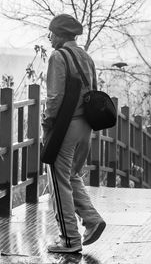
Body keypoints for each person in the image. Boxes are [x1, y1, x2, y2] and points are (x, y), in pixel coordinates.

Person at [42, 14, 106, 254]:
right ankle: (92, 220)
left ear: (59, 35)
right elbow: (95, 91)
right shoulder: (86, 57)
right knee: (71, 176)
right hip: (85, 127)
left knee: (59, 183)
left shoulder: (58, 57)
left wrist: (48, 122)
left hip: (65, 127)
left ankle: (69, 239)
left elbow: (55, 97)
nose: (49, 39)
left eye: (51, 34)